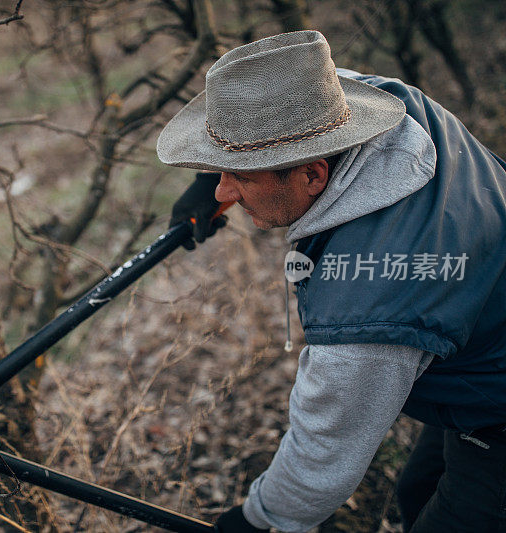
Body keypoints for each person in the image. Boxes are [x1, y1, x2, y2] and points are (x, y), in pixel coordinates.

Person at [157, 30, 506, 532]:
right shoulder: (389, 106)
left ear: (314, 176)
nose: (224, 189)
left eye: (241, 177)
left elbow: (323, 455)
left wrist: (259, 520)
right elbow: (307, 88)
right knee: (417, 492)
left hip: (496, 401)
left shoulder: (372, 307)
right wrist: (210, 180)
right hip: (486, 325)